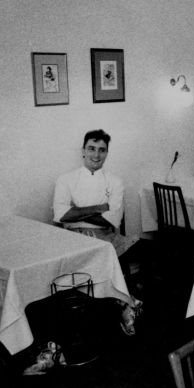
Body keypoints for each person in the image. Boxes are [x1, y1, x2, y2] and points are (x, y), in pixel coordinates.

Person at [52, 129, 141, 329]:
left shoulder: (115, 182)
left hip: (106, 236)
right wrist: (99, 209)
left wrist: (76, 211)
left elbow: (112, 221)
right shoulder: (65, 179)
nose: (96, 155)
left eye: (102, 150)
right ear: (83, 151)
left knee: (108, 253)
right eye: (91, 148)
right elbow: (60, 215)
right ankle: (123, 304)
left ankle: (120, 305)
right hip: (72, 238)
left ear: (107, 153)